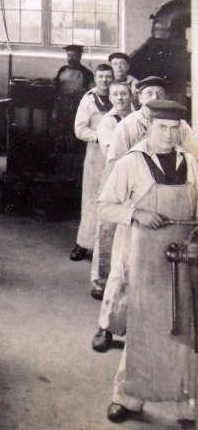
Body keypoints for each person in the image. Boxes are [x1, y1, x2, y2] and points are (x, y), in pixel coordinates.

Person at [96, 100, 197, 423]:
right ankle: (128, 398)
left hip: (185, 259)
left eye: (174, 129)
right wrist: (135, 213)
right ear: (149, 127)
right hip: (145, 258)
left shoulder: (191, 162)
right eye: (162, 128)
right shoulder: (132, 163)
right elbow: (105, 206)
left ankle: (184, 402)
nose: (168, 135)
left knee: (183, 326)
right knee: (143, 326)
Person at [92, 75, 198, 351]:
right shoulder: (128, 125)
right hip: (134, 214)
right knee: (121, 275)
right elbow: (113, 163)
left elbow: (193, 153)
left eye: (159, 92)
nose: (154, 97)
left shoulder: (180, 129)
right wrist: (132, 209)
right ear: (140, 98)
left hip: (174, 228)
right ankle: (107, 327)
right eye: (148, 93)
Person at [90, 81, 134, 301]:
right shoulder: (107, 122)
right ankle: (100, 281)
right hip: (114, 177)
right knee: (107, 229)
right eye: (115, 94)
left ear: (131, 96)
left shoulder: (139, 118)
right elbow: (112, 151)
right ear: (110, 98)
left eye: (123, 94)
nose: (119, 98)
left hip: (136, 180)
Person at [70, 64, 115, 263]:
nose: (104, 80)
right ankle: (83, 244)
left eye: (108, 76)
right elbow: (79, 129)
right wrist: (102, 137)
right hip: (96, 156)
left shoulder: (121, 96)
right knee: (91, 199)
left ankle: (107, 248)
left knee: (113, 199)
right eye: (101, 76)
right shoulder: (88, 100)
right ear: (95, 78)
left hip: (117, 157)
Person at [53, 44, 94, 150]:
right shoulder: (62, 70)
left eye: (73, 55)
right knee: (62, 131)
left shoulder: (86, 73)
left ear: (80, 56)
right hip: (63, 106)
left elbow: (92, 92)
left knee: (76, 132)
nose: (70, 58)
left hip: (78, 107)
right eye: (68, 55)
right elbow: (56, 88)